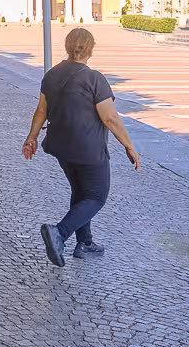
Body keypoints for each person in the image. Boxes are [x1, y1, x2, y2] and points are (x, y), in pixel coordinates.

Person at [21, 27, 144, 267]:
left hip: (61, 148)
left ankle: (85, 243)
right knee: (96, 196)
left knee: (80, 191)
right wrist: (130, 146)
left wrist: (32, 137)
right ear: (90, 48)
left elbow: (41, 111)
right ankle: (59, 233)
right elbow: (110, 118)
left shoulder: (52, 74)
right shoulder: (94, 78)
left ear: (67, 46)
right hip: (88, 149)